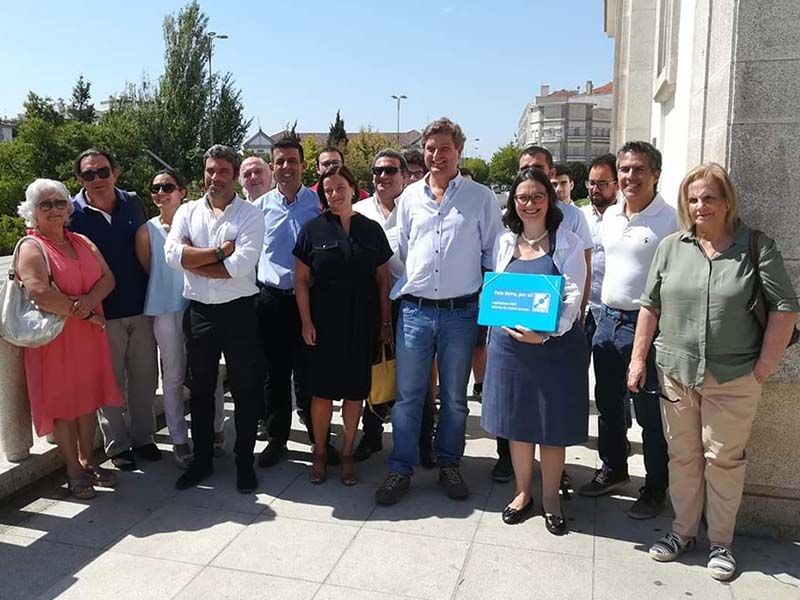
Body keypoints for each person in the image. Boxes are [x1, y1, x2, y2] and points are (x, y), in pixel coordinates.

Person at [628, 163, 799, 580]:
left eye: (709, 198)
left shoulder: (756, 246)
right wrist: (638, 359)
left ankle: (721, 542)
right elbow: (650, 306)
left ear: (727, 202)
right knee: (682, 456)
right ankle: (682, 532)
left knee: (723, 460)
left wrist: (762, 369)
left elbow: (785, 309)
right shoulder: (671, 247)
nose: (699, 206)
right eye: (692, 199)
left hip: (733, 375)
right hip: (676, 371)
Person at [375, 117, 503, 505]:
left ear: (459, 151)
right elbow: (398, 249)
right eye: (430, 149)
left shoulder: (480, 197)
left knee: (454, 399)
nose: (437, 155)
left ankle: (450, 464)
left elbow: (493, 253)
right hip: (415, 313)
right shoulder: (410, 197)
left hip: (460, 314)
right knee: (408, 398)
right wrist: (416, 277)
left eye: (445, 148)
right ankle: (400, 468)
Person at [482, 168, 588, 534]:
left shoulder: (568, 242)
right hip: (509, 350)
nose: (530, 204)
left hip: (553, 349)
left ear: (550, 200)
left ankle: (551, 499)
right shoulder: (503, 242)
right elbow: (496, 291)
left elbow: (572, 298)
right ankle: (522, 493)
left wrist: (543, 336)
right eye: (523, 197)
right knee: (518, 424)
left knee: (551, 426)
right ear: (513, 202)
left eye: (537, 196)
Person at [577, 141, 677, 520]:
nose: (630, 176)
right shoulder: (611, 217)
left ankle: (655, 488)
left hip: (647, 328)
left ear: (656, 174)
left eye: (639, 169)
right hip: (606, 321)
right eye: (624, 169)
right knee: (607, 404)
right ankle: (614, 469)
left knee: (650, 415)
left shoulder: (670, 220)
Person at [165, 145, 265, 493]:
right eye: (210, 170)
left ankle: (244, 462)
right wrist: (219, 253)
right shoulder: (187, 211)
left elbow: (241, 266)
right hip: (200, 313)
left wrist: (194, 261)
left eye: (223, 171)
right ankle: (203, 460)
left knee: (245, 389)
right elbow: (171, 255)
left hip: (240, 312)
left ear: (235, 175)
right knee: (202, 390)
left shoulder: (250, 215)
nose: (215, 177)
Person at [16, 179, 122, 499]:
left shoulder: (82, 241)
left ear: (68, 207)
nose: (54, 209)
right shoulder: (31, 247)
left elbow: (108, 279)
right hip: (55, 339)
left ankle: (88, 460)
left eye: (60, 202)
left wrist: (88, 302)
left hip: (88, 337)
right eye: (45, 204)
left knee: (88, 398)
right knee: (63, 404)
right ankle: (73, 470)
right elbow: (39, 293)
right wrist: (87, 313)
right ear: (33, 211)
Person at [293, 165, 392, 485]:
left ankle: (348, 453)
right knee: (321, 394)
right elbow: (301, 280)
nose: (335, 194)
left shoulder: (371, 230)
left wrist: (385, 322)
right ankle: (321, 453)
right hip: (323, 327)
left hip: (362, 325)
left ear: (352, 188)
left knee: (354, 393)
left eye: (340, 187)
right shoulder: (312, 230)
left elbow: (383, 280)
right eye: (328, 190)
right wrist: (306, 321)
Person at [69, 148, 159, 471]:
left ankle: (144, 438)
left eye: (103, 171)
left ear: (115, 172)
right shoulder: (71, 213)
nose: (97, 179)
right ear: (79, 179)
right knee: (109, 381)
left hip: (141, 306)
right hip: (101, 314)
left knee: (145, 377)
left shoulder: (133, 202)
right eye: (89, 174)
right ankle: (117, 445)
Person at [135, 169, 226, 469]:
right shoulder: (146, 231)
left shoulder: (198, 222)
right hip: (166, 309)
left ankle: (216, 429)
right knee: (173, 375)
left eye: (167, 187)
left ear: (182, 191)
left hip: (200, 305)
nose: (161, 193)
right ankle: (178, 438)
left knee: (208, 372)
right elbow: (151, 268)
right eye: (155, 188)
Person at [352, 149, 436, 467]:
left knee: (417, 378)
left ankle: (424, 442)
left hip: (410, 302)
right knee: (373, 371)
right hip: (369, 304)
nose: (383, 177)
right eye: (378, 171)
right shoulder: (358, 211)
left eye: (390, 171)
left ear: (405, 175)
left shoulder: (419, 208)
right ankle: (372, 435)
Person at [253, 139, 331, 468]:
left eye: (292, 161)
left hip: (310, 302)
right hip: (271, 300)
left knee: (309, 372)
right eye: (280, 162)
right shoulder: (259, 208)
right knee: (275, 373)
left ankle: (318, 438)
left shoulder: (319, 204)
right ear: (272, 167)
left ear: (304, 165)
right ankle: (277, 438)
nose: (287, 167)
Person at [580, 154, 619, 346]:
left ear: (616, 185)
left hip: (613, 313)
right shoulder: (579, 217)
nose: (595, 189)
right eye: (591, 183)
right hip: (583, 309)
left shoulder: (626, 219)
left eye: (602, 184)